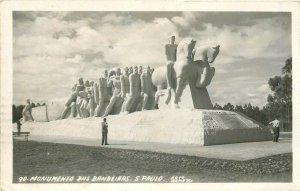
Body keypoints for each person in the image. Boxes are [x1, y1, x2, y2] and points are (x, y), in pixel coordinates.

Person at [164, 35, 178, 104]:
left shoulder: (176, 46)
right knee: (168, 67)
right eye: (171, 38)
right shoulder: (166, 46)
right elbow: (166, 55)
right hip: (169, 60)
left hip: (175, 60)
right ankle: (169, 84)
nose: (172, 39)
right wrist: (170, 61)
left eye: (173, 38)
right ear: (169, 39)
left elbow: (177, 54)